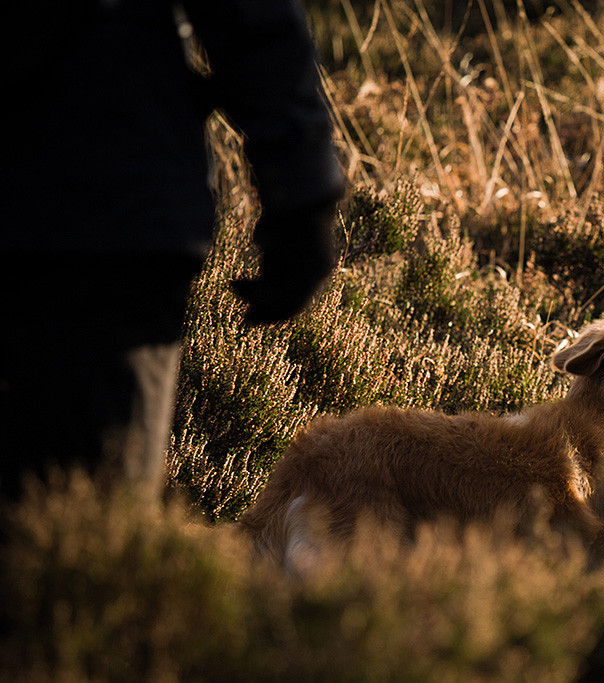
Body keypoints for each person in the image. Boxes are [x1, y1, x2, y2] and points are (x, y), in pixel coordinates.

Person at [0, 0, 346, 503]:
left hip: (100, 217)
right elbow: (251, 19)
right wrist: (302, 197)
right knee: (91, 530)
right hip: (103, 213)